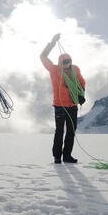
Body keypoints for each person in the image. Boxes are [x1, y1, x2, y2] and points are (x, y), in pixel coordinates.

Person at [40, 33, 86, 164]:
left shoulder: (75, 69)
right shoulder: (54, 70)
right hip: (59, 106)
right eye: (65, 62)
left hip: (72, 106)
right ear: (61, 62)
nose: (67, 64)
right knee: (59, 131)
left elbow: (82, 82)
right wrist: (52, 42)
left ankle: (67, 156)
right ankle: (57, 156)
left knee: (71, 131)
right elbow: (42, 57)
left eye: (69, 61)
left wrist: (81, 95)